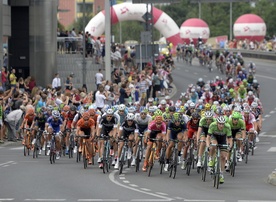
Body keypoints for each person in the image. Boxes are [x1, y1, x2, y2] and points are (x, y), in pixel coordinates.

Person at [207, 116, 233, 184]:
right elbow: (208, 137)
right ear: (217, 123)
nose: (221, 125)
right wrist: (208, 146)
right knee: (214, 145)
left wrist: (229, 147)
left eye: (222, 124)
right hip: (214, 137)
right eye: (220, 124)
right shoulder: (212, 125)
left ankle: (221, 173)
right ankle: (211, 159)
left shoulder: (227, 127)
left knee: (223, 157)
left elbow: (230, 139)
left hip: (222, 139)